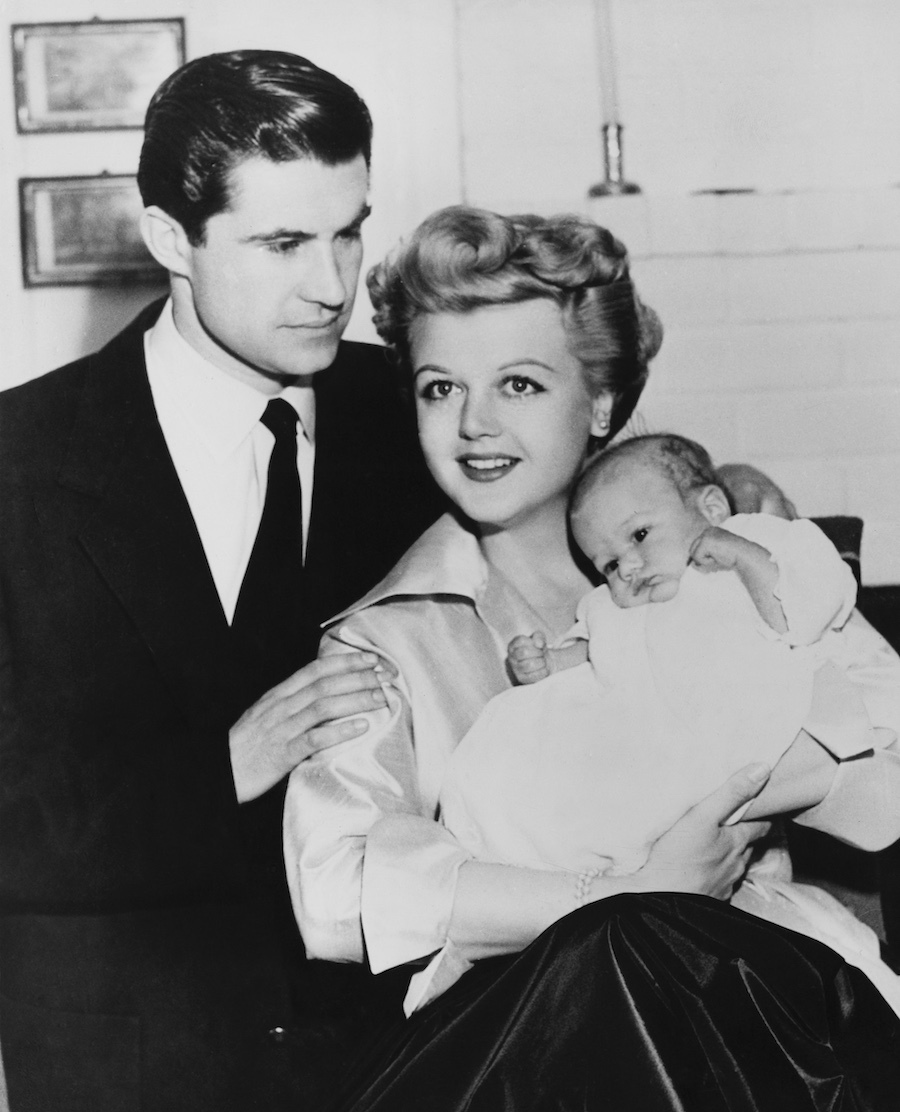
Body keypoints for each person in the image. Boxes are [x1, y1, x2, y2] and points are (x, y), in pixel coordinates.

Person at [284, 205, 900, 1110]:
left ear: (602, 399)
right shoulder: (385, 636)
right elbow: (335, 891)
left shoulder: (705, 556)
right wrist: (618, 892)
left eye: (521, 385)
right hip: (528, 1048)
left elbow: (885, 738)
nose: (475, 426)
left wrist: (743, 789)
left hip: (757, 1008)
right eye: (439, 388)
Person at [0, 51, 442, 1112]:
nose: (335, 284)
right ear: (170, 241)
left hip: (405, 1058)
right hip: (134, 1067)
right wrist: (227, 765)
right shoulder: (22, 462)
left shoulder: (422, 410)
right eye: (284, 242)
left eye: (349, 230)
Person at [439, 431, 900, 1011]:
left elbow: (803, 614)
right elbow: (591, 651)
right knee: (545, 745)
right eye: (607, 563)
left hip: (743, 724)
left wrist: (747, 559)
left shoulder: (754, 547)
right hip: (655, 746)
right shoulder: (615, 607)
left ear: (710, 509)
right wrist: (544, 663)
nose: (627, 567)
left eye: (638, 536)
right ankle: (557, 860)